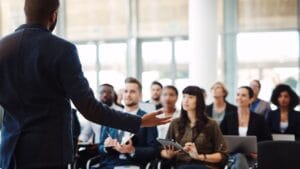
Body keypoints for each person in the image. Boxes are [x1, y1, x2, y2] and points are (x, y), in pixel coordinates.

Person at [0, 1, 170, 169]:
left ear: (25, 12)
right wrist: (138, 122)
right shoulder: (63, 50)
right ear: (53, 16)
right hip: (49, 153)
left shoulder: (3, 48)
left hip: (9, 152)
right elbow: (89, 108)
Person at [160, 86, 228, 169]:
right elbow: (164, 150)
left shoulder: (211, 124)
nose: (186, 100)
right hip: (181, 165)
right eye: (184, 96)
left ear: (199, 101)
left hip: (205, 165)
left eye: (190, 97)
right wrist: (169, 154)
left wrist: (199, 157)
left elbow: (222, 155)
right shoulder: (175, 123)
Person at [98, 77, 159, 169]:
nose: (128, 95)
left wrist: (133, 150)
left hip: (134, 164)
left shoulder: (147, 118)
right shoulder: (111, 116)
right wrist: (106, 147)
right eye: (126, 91)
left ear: (140, 95)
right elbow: (100, 147)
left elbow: (154, 150)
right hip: (111, 164)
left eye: (132, 92)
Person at [230, 86, 271, 169]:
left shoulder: (259, 119)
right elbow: (221, 138)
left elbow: (267, 140)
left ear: (251, 99)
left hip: (253, 156)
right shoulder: (229, 117)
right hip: (231, 156)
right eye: (238, 95)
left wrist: (259, 153)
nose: (239, 98)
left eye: (243, 95)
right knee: (239, 157)